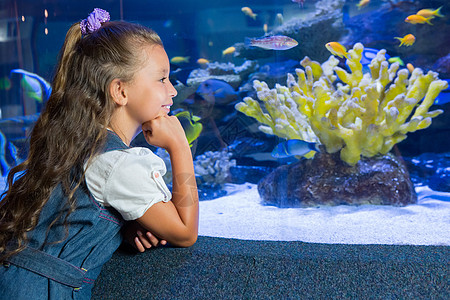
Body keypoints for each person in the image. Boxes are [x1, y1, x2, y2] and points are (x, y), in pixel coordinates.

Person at [0, 8, 198, 299]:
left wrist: (125, 226)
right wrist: (180, 147)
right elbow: (185, 232)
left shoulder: (76, 141)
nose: (172, 91)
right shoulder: (121, 163)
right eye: (162, 79)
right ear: (120, 91)